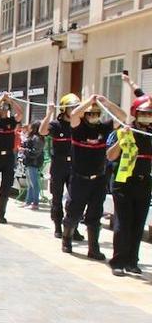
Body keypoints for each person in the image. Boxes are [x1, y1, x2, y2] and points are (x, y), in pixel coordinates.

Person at [62, 95, 127, 259]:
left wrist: (106, 103)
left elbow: (122, 117)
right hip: (79, 178)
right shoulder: (78, 128)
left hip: (98, 179)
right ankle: (66, 240)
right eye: (90, 114)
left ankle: (93, 248)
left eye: (96, 113)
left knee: (95, 214)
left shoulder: (103, 128)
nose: (93, 116)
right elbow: (75, 114)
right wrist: (89, 102)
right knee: (73, 213)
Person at [107, 88, 152, 276]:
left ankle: (132, 261)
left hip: (144, 183)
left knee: (138, 223)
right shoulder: (124, 131)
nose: (147, 117)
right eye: (144, 114)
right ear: (136, 114)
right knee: (123, 223)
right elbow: (110, 156)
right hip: (123, 183)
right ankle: (118, 261)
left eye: (150, 114)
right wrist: (122, 139)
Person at [40, 94, 85, 242]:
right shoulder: (56, 125)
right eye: (72, 107)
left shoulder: (80, 125)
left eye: (76, 108)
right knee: (57, 198)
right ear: (64, 109)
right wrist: (49, 113)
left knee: (75, 199)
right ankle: (58, 227)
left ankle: (73, 228)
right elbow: (42, 131)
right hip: (59, 166)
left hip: (75, 166)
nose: (74, 110)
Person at [0, 94, 23, 223]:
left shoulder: (11, 122)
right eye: (3, 108)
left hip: (8, 157)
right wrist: (1, 99)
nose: (5, 110)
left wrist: (11, 101)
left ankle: (1, 214)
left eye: (7, 108)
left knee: (6, 187)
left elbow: (20, 113)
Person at [20, 121, 44, 210]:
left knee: (34, 183)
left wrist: (25, 150)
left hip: (34, 162)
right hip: (29, 162)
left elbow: (35, 152)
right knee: (29, 183)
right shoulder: (32, 137)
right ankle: (28, 201)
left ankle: (35, 202)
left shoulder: (37, 138)